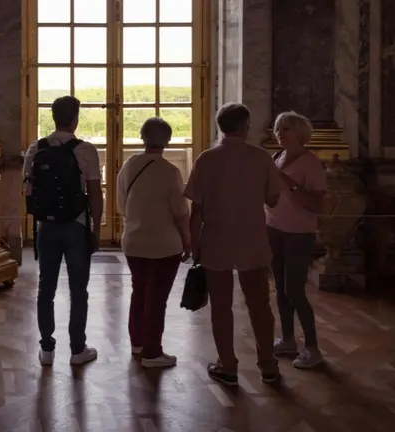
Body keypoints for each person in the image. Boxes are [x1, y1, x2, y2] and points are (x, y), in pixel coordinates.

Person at [185, 102, 283, 387]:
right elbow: (273, 199)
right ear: (245, 126)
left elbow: (197, 210)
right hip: (252, 238)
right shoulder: (261, 157)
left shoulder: (206, 159)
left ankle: (227, 364)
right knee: (260, 305)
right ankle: (268, 364)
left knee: (220, 307)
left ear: (221, 126)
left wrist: (194, 245)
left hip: (216, 239)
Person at [23, 95, 102, 367]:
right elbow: (94, 195)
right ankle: (77, 348)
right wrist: (96, 229)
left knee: (46, 287)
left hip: (47, 226)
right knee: (79, 290)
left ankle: (46, 349)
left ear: (53, 117)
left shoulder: (35, 149)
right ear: (75, 119)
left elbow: (28, 190)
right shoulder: (85, 150)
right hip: (77, 225)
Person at [117, 117, 192, 368]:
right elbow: (181, 213)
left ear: (141, 136)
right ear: (168, 141)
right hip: (165, 244)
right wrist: (188, 241)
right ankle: (152, 352)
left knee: (139, 292)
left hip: (134, 241)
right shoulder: (170, 171)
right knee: (156, 298)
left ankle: (137, 343)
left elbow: (121, 205)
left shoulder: (129, 165)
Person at [268, 111, 328, 370]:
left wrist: (291, 185)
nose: (280, 133)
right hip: (273, 228)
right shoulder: (276, 157)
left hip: (298, 233)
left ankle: (312, 348)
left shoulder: (310, 163)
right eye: (278, 128)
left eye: (286, 129)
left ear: (300, 133)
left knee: (294, 290)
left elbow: (317, 204)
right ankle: (289, 340)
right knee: (281, 289)